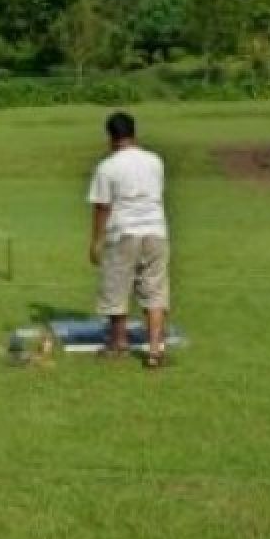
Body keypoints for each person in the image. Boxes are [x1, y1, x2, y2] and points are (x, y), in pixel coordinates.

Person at [87, 111, 171, 369]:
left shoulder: (107, 166)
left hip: (123, 231)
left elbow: (102, 207)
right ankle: (155, 350)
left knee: (117, 286)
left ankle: (118, 343)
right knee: (155, 290)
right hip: (156, 230)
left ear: (110, 137)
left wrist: (96, 241)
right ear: (134, 133)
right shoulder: (155, 161)